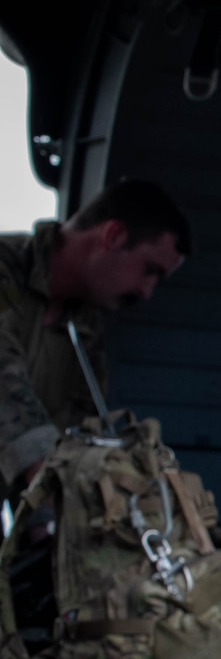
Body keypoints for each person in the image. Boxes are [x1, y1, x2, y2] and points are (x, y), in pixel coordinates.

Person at [0, 180, 191, 489]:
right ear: (112, 235)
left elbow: (79, 435)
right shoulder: (7, 265)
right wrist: (44, 476)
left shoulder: (85, 330)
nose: (147, 292)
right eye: (149, 270)